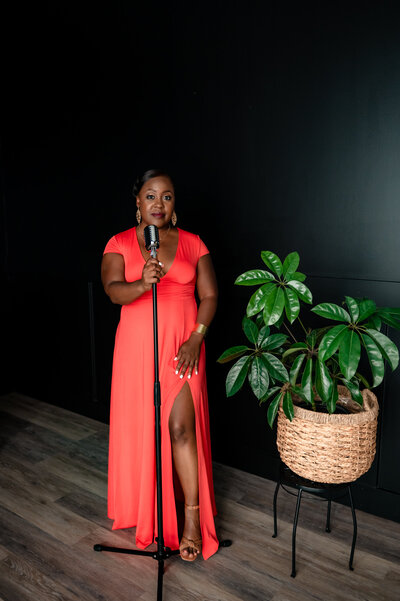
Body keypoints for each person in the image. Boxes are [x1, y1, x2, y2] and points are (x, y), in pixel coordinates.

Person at [101, 169, 219, 561]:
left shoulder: (193, 243)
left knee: (181, 429)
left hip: (183, 348)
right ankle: (150, 513)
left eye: (166, 197)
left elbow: (210, 295)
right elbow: (113, 290)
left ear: (174, 204)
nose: (158, 204)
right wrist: (142, 284)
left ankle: (190, 519)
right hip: (137, 351)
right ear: (137, 202)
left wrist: (196, 338)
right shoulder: (118, 243)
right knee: (145, 434)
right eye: (150, 196)